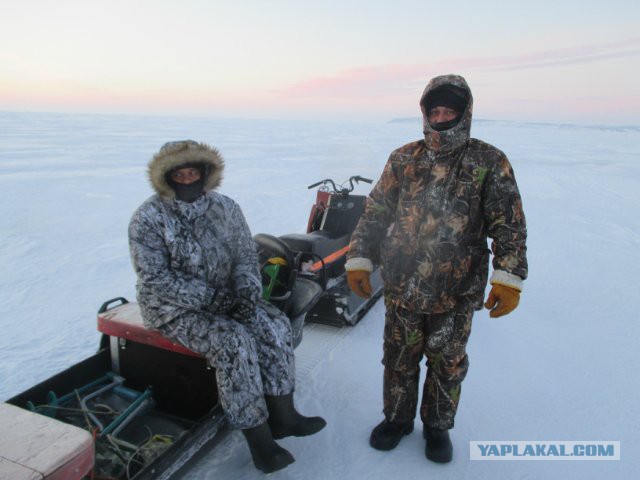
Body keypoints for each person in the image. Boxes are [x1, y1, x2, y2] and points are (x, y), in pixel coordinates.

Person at [345, 74, 528, 463]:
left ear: (465, 114)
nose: (442, 116)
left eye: (450, 110)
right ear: (426, 113)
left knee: (447, 363)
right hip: (402, 283)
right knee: (398, 357)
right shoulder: (403, 158)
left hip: (456, 290)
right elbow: (376, 212)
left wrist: (508, 277)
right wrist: (360, 259)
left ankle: (437, 426)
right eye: (436, 109)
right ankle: (396, 420)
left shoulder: (488, 161)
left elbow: (508, 224)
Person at [128, 140, 326, 473]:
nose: (188, 179)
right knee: (234, 342)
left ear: (206, 173)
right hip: (173, 308)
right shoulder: (148, 218)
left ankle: (284, 416)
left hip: (229, 298)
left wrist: (248, 291)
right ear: (167, 176)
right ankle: (259, 440)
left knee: (274, 324)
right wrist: (215, 300)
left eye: (194, 171)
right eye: (180, 173)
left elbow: (245, 254)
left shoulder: (225, 207)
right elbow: (156, 279)